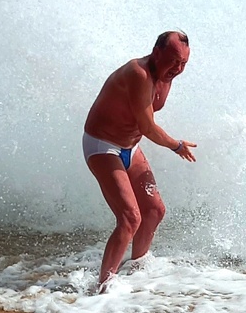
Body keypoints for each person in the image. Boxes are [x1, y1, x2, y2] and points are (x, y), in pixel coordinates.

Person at [83, 30, 196, 289]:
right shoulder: (139, 73)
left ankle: (137, 271)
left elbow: (142, 125)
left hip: (129, 148)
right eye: (173, 61)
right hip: (102, 146)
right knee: (130, 218)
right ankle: (103, 288)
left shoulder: (167, 73)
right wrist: (176, 145)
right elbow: (147, 127)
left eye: (184, 64)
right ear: (156, 52)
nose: (177, 69)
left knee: (155, 211)